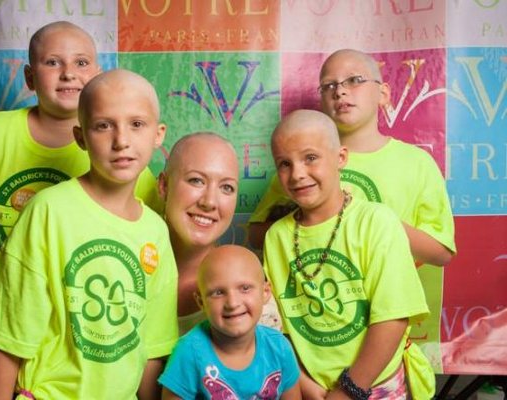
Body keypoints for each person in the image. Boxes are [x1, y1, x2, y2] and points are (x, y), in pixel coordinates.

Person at [0, 21, 160, 399]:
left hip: (67, 322)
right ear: (30, 78)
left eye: (81, 62)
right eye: (53, 62)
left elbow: (148, 235)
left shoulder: (123, 156)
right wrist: (2, 267)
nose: (68, 73)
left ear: (97, 74)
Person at [0, 69, 177, 400]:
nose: (121, 140)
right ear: (80, 137)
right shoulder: (48, 211)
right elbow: (7, 335)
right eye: (103, 126)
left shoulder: (156, 231)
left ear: (158, 134)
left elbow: (151, 349)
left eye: (136, 124)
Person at [263, 109, 433, 399]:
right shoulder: (276, 237)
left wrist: (347, 391)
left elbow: (392, 319)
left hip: (375, 386)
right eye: (284, 164)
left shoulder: (377, 222)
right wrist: (307, 385)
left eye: (310, 158)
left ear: (340, 157)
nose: (297, 174)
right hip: (310, 389)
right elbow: (275, 327)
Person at [249, 49, 455, 270]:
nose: (340, 91)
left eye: (355, 80)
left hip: (389, 289)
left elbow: (441, 253)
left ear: (383, 93)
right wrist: (310, 221)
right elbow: (257, 235)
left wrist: (370, 221)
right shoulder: (298, 166)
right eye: (329, 85)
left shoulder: (416, 162)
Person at [159, 244, 300, 400]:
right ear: (201, 301)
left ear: (265, 292)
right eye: (218, 292)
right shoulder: (188, 353)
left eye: (245, 288)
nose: (232, 303)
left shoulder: (279, 347)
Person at [158, 132, 239, 334]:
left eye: (227, 187)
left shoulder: (246, 290)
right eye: (196, 180)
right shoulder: (122, 265)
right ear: (164, 186)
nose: (209, 202)